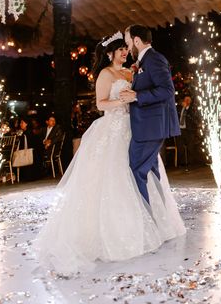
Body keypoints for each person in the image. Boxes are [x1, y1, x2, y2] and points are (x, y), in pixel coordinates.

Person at [36, 32, 184, 275]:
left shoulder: (131, 72)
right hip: (113, 130)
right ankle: (123, 231)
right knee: (115, 178)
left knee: (141, 173)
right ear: (109, 54)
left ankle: (153, 222)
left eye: (125, 48)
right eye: (119, 50)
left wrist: (134, 98)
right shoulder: (106, 74)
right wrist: (124, 102)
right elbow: (101, 104)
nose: (125, 52)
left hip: (136, 129)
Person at [120, 24, 183, 206]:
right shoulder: (144, 61)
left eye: (127, 42)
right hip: (148, 127)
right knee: (151, 172)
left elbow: (167, 90)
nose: (127, 47)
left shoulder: (154, 59)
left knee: (136, 171)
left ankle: (145, 221)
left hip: (150, 127)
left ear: (137, 41)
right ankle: (161, 219)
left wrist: (137, 95)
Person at [177, 95, 201, 166]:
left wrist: (186, 108)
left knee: (190, 146)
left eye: (188, 100)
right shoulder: (179, 108)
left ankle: (191, 162)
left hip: (189, 130)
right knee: (180, 146)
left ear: (190, 101)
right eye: (186, 99)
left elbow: (193, 117)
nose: (187, 101)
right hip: (180, 129)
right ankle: (182, 162)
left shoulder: (192, 109)